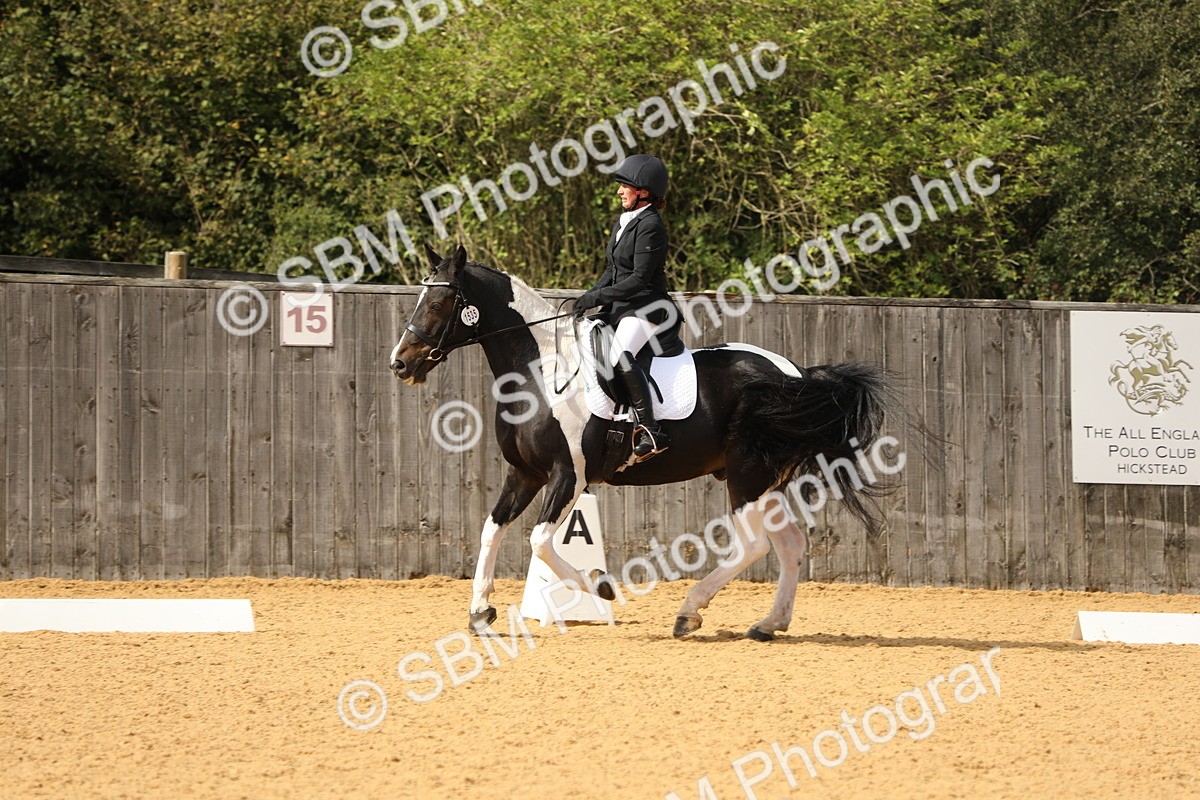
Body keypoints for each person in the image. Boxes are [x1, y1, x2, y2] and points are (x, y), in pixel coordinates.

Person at [574, 154, 682, 462]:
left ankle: (651, 429)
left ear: (643, 192)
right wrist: (589, 295)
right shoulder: (623, 222)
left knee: (619, 355)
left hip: (648, 306)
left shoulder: (651, 226)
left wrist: (597, 299)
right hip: (623, 306)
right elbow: (611, 270)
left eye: (625, 186)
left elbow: (637, 280)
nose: (620, 191)